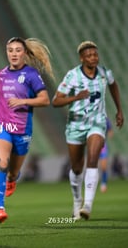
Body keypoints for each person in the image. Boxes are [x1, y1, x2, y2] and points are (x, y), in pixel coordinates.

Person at [0, 37, 54, 224]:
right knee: (1, 163)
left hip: (22, 129)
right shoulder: (1, 74)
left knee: (12, 172)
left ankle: (12, 179)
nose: (13, 53)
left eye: (17, 50)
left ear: (24, 53)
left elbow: (45, 100)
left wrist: (23, 101)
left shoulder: (31, 75)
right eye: (10, 50)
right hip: (1, 124)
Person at [52, 41, 124, 220]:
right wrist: (75, 97)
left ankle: (87, 206)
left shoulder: (104, 73)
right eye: (89, 55)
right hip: (76, 125)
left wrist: (119, 110)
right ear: (82, 58)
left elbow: (113, 85)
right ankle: (77, 200)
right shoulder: (73, 76)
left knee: (93, 159)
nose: (94, 58)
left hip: (97, 123)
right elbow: (56, 101)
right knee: (77, 168)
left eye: (95, 54)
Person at [99, 117, 113, 193]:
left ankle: (103, 184)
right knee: (91, 166)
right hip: (92, 146)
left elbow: (110, 131)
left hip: (102, 146)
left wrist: (110, 133)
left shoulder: (105, 119)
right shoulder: (91, 115)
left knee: (103, 167)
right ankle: (90, 185)